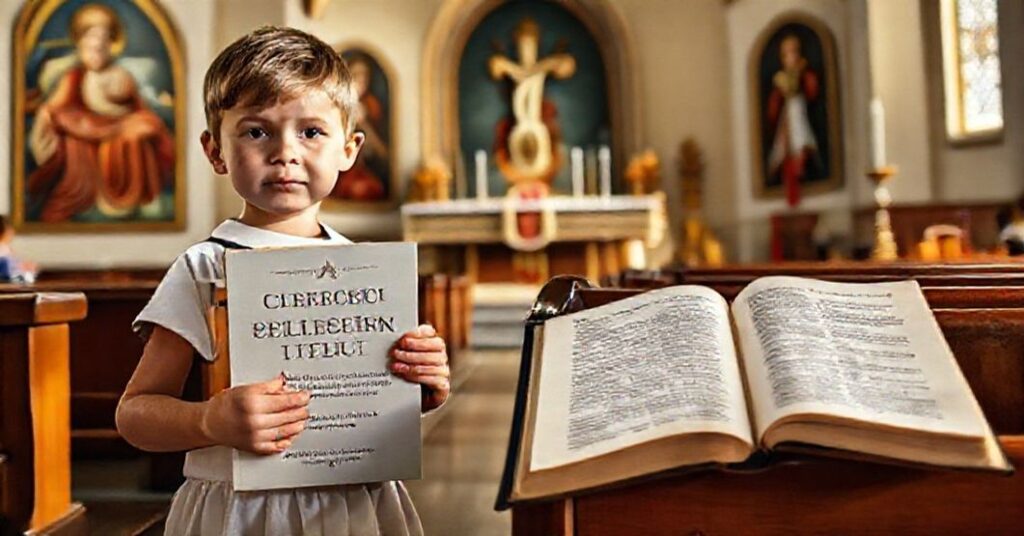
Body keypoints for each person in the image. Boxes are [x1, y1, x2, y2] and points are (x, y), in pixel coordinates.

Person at [115, 27, 449, 535]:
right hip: (242, 511)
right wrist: (209, 421)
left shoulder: (367, 270)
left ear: (349, 149)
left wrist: (423, 387)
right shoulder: (204, 267)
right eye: (256, 131)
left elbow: (383, 401)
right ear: (215, 151)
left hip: (355, 505)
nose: (285, 152)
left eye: (311, 132)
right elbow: (135, 414)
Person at [27, 3, 174, 222]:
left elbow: (138, 109)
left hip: (116, 128)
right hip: (83, 131)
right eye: (90, 44)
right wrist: (55, 117)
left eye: (102, 44)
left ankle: (135, 198)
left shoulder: (121, 76)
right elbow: (56, 109)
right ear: (80, 45)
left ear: (111, 45)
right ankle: (92, 197)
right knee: (78, 146)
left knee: (137, 133)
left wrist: (142, 122)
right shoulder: (73, 77)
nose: (95, 50)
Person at [765, 33, 824, 207]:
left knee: (803, 142)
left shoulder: (806, 74)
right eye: (786, 53)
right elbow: (773, 110)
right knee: (783, 150)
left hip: (801, 115)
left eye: (794, 52)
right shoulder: (780, 79)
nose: (791, 57)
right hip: (787, 119)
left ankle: (804, 169)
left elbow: (813, 94)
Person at [330, 54, 388, 201]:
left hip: (368, 167)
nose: (360, 81)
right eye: (355, 75)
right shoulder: (335, 105)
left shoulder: (372, 106)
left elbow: (382, 152)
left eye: (364, 77)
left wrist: (364, 124)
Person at [0, 215, 39, 283]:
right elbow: (13, 277)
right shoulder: (4, 253)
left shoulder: (6, 250)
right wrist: (28, 272)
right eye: (10, 229)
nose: (13, 232)